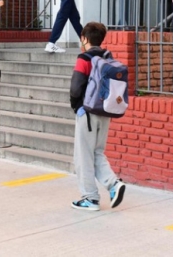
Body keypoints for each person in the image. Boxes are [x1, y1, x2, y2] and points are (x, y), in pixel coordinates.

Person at [69, 21, 126, 211]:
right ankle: (114, 185)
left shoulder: (84, 58)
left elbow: (76, 86)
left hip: (87, 112)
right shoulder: (106, 57)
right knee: (97, 152)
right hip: (105, 112)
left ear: (85, 38)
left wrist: (76, 106)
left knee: (83, 156)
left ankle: (90, 198)